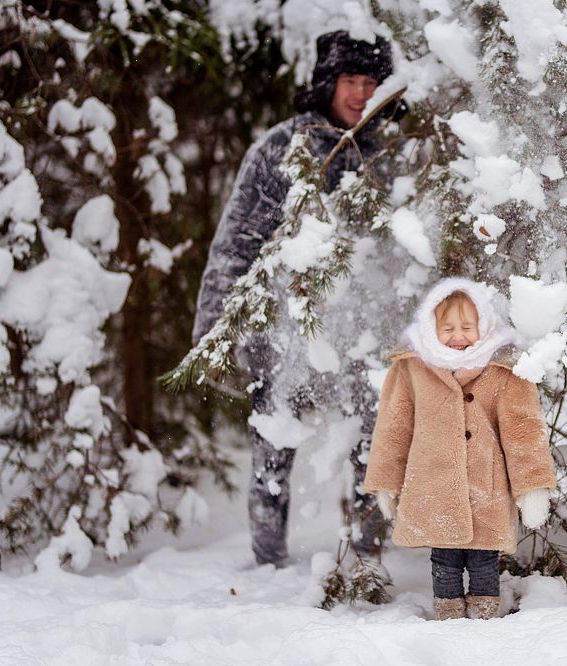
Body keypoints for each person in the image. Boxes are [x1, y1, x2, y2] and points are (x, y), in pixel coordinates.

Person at [192, 30, 400, 569]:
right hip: (284, 325)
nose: (361, 93)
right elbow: (237, 241)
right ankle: (267, 562)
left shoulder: (389, 154)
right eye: (350, 80)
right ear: (327, 82)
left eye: (371, 81)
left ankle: (367, 560)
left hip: (362, 328)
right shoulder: (280, 148)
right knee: (273, 441)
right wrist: (215, 327)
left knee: (373, 440)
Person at [363, 278, 558, 620]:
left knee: (484, 558)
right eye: (448, 328)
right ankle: (449, 616)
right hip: (434, 485)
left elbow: (523, 430)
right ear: (431, 326)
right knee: (444, 559)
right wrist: (386, 481)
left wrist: (533, 486)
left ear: (484, 325)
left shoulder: (503, 368)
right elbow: (394, 427)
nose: (458, 335)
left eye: (467, 327)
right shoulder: (412, 366)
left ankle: (484, 615)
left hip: (486, 486)